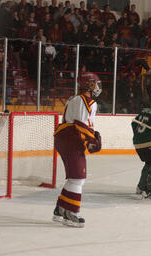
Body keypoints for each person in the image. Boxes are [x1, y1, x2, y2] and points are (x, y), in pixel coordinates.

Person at [52, 72, 102, 227]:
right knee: (78, 178)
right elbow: (81, 124)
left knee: (74, 177)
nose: (98, 87)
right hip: (71, 138)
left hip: (66, 137)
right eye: (95, 84)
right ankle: (71, 213)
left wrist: (89, 139)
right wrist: (92, 140)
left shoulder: (76, 98)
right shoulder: (84, 100)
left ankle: (60, 210)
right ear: (89, 84)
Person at [131, 93, 151, 198]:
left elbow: (134, 123)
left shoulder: (147, 108)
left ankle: (141, 187)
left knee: (150, 163)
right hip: (150, 142)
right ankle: (148, 187)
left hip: (138, 143)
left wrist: (139, 136)